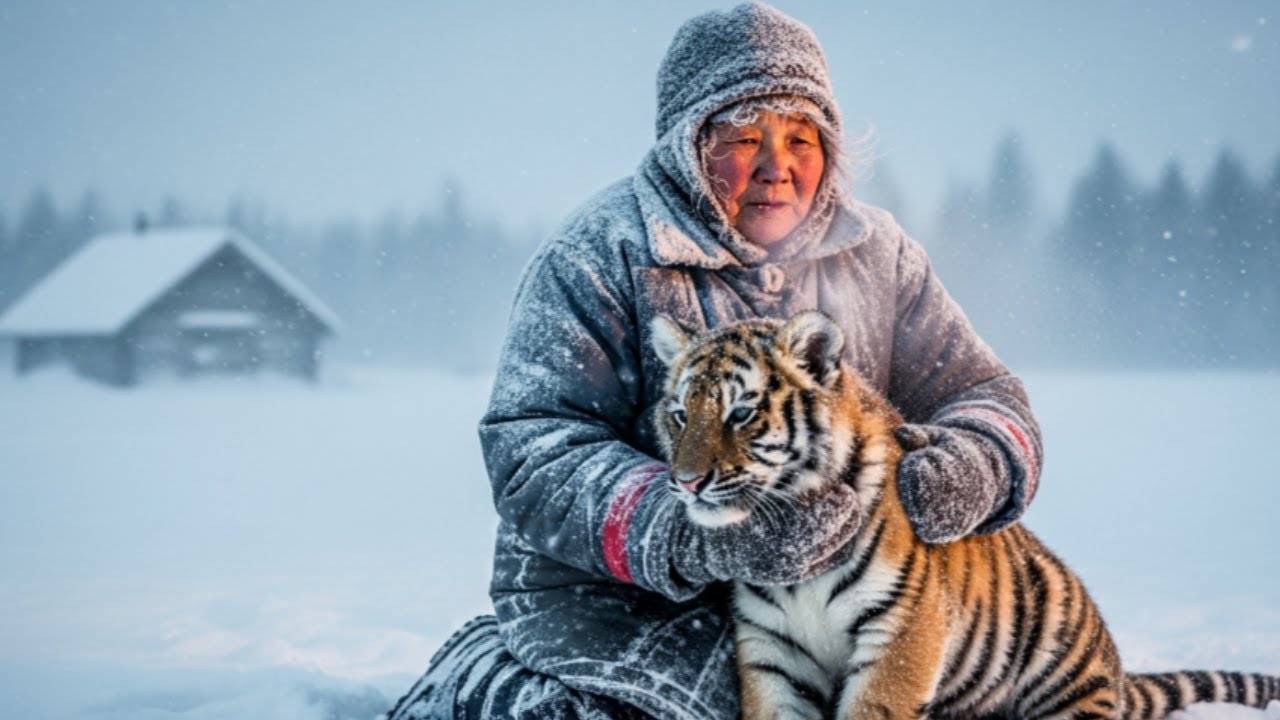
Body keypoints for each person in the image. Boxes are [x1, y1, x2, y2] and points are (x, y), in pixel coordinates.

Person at [386, 3, 1042, 719]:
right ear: (687, 145)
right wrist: (688, 532)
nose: (777, 167)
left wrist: (973, 467)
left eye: (801, 137)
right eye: (742, 136)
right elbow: (532, 450)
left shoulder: (876, 255)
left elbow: (987, 394)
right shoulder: (602, 255)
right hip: (615, 601)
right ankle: (485, 673)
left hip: (832, 606)